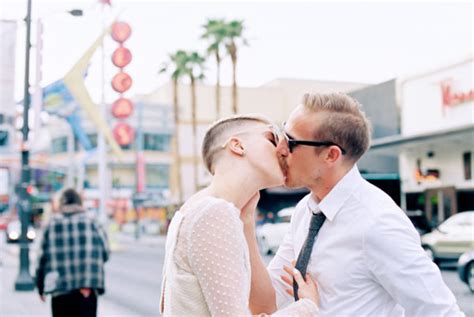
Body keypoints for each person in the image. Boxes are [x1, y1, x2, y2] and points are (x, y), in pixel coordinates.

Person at [244, 93, 464, 316]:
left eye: (291, 142)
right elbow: (266, 302)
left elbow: (440, 311)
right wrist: (245, 220)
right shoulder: (306, 210)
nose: (280, 149)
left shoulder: (378, 222)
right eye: (281, 135)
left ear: (331, 155)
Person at [160, 115, 320, 316]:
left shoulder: (195, 208)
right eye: (272, 138)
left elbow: (263, 307)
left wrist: (246, 224)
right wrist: (308, 307)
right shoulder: (213, 213)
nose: (284, 149)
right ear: (237, 145)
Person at [35, 188, 109, 317]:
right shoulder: (93, 222)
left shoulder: (51, 224)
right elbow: (105, 252)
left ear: (61, 203)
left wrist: (41, 287)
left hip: (60, 290)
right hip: (86, 289)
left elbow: (41, 258)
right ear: (80, 202)